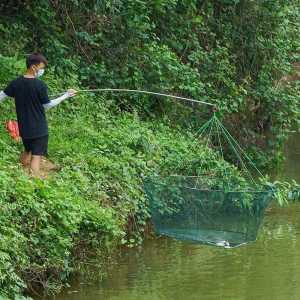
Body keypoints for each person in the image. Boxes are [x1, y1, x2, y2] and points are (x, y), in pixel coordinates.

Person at [0, 53, 77, 177]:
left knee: (27, 150)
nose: (42, 70)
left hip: (24, 127)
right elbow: (47, 105)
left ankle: (18, 171)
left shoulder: (16, 83)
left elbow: (2, 96)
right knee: (36, 156)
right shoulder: (40, 85)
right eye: (41, 67)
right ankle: (33, 181)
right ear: (33, 67)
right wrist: (66, 96)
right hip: (39, 128)